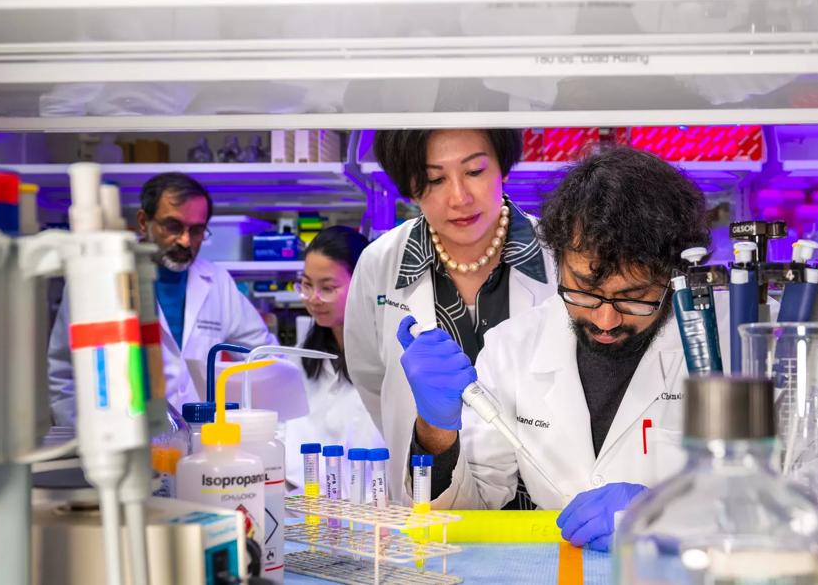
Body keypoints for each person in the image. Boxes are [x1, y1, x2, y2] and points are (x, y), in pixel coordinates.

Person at [396, 146, 731, 551]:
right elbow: (473, 506)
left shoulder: (734, 342)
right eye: (585, 291)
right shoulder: (512, 348)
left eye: (634, 297)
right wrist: (435, 430)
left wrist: (667, 513)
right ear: (559, 259)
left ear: (677, 275)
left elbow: (808, 493)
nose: (605, 321)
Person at [344, 129, 557, 502]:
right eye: (435, 179)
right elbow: (371, 381)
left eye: (474, 171)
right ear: (411, 187)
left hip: (546, 510)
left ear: (502, 169)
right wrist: (430, 431)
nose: (459, 197)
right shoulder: (379, 264)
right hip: (432, 500)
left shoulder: (559, 256)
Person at [48, 172, 277, 426]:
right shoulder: (96, 279)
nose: (185, 241)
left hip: (202, 443)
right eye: (173, 226)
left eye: (197, 230)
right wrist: (83, 437)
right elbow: (63, 372)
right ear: (144, 222)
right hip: (124, 439)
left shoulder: (217, 283)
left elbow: (264, 358)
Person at [282, 225, 384, 486]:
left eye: (327, 288)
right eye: (306, 285)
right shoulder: (302, 360)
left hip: (377, 505)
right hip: (308, 505)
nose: (313, 299)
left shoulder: (387, 358)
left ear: (364, 283)